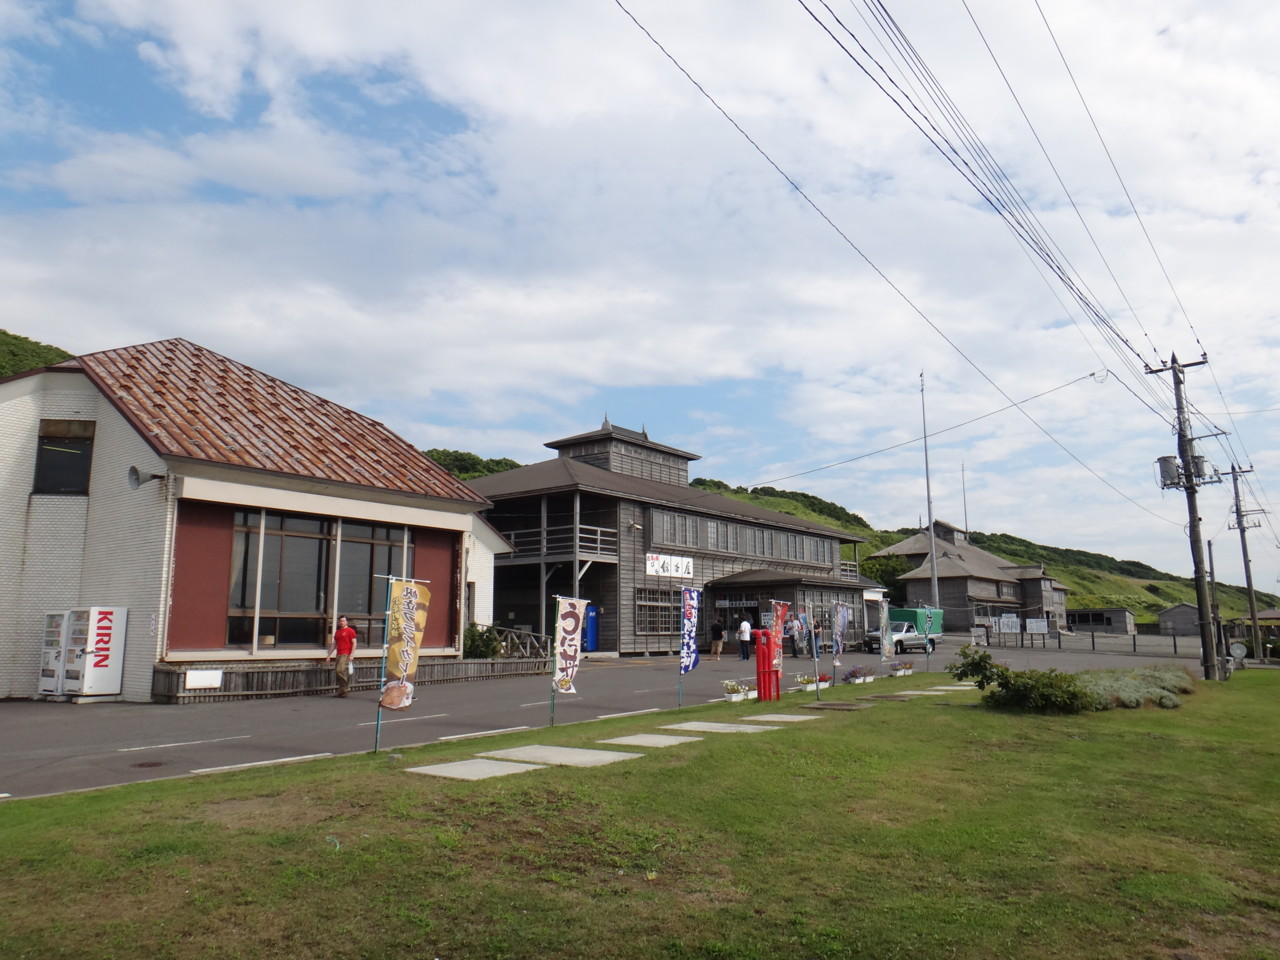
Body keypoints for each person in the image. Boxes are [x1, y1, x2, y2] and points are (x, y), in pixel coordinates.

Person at [324, 615, 358, 697]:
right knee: (338, 672)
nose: (341, 622)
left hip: (346, 653)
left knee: (339, 670)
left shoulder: (350, 631)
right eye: (340, 621)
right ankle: (341, 691)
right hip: (338, 653)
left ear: (346, 622)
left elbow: (354, 643)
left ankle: (346, 688)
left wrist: (352, 654)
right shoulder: (337, 632)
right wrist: (329, 655)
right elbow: (334, 644)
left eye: (343, 621)